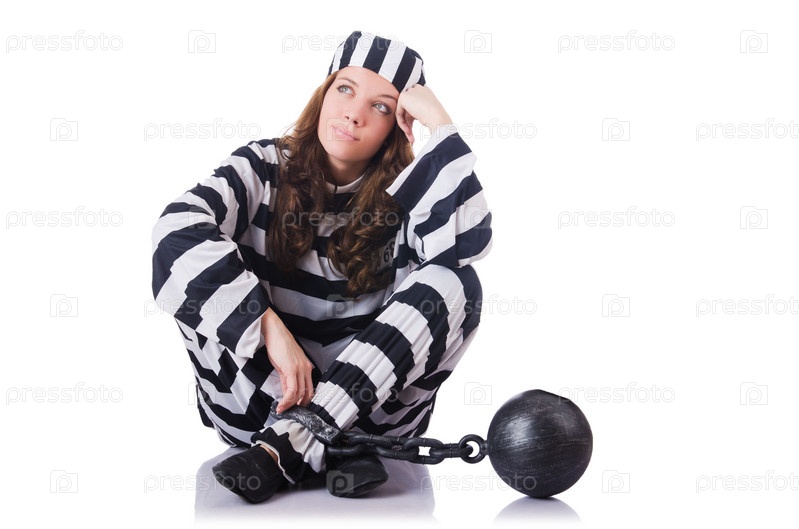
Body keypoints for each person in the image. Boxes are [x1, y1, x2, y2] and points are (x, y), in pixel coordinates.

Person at [151, 30, 492, 503]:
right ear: (324, 93)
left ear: (398, 126)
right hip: (259, 406)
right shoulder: (261, 166)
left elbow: (465, 243)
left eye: (381, 106)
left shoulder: (411, 192)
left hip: (371, 418)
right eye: (345, 89)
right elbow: (175, 230)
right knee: (190, 259)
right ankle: (319, 444)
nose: (353, 113)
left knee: (456, 281)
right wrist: (268, 327)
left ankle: (290, 447)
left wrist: (442, 126)